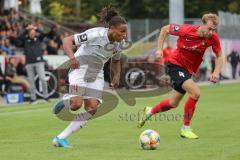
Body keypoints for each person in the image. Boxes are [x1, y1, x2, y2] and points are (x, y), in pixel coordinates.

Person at [52, 6, 128, 148]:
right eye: (122, 31)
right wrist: (72, 58)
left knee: (92, 108)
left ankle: (60, 138)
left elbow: (116, 60)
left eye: (125, 32)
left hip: (96, 73)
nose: (124, 35)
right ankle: (67, 100)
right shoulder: (95, 34)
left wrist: (116, 75)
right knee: (76, 105)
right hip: (80, 68)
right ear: (111, 28)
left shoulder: (119, 44)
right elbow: (67, 40)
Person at [138, 13, 222, 139]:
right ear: (202, 24)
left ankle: (150, 111)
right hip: (174, 64)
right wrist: (159, 49)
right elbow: (165, 29)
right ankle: (185, 128)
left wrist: (216, 72)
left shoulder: (212, 38)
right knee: (195, 93)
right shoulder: (186, 30)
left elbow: (219, 55)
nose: (211, 32)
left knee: (173, 103)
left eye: (213, 30)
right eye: (209, 29)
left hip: (187, 70)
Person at [19, 24, 49, 103]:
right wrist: (26, 29)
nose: (32, 34)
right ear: (28, 34)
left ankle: (46, 96)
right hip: (29, 63)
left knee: (43, 79)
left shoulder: (39, 38)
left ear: (35, 33)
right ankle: (33, 98)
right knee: (31, 81)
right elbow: (19, 37)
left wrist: (36, 28)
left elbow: (44, 34)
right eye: (31, 33)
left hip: (39, 62)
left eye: (33, 33)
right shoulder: (25, 40)